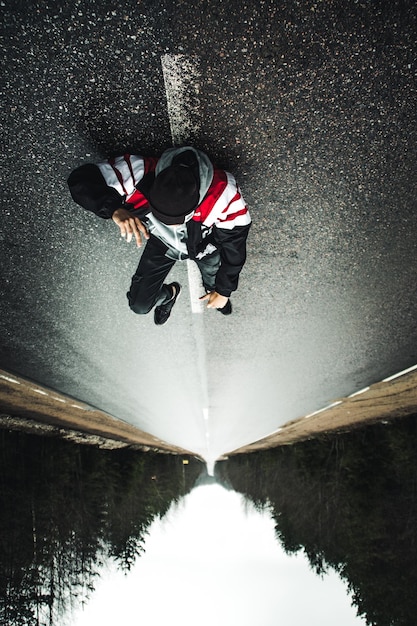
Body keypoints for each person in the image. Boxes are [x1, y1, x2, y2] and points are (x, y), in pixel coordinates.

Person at [68, 146, 251, 325]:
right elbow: (80, 180)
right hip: (161, 241)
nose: (172, 224)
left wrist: (224, 291)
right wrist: (113, 209)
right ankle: (169, 294)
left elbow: (234, 247)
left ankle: (218, 298)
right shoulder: (138, 173)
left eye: (179, 218)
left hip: (204, 246)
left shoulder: (224, 193)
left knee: (216, 284)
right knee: (139, 306)